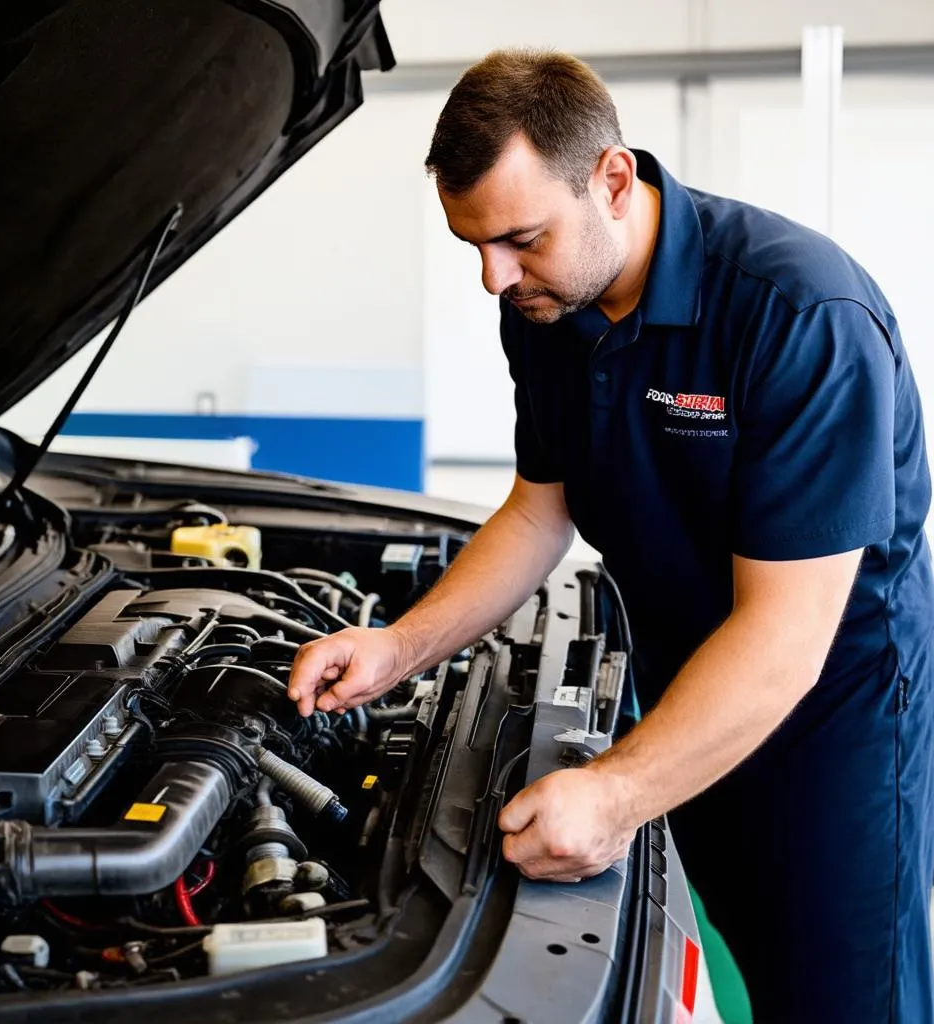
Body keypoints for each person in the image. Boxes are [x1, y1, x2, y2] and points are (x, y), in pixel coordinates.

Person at [287, 49, 934, 1023]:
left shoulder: (799, 314)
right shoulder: (547, 307)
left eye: (520, 238)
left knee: (839, 994)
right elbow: (537, 512)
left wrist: (617, 795)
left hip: (830, 719)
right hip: (684, 676)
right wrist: (398, 646)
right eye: (473, 245)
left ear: (614, 179)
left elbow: (786, 638)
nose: (493, 277)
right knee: (745, 946)